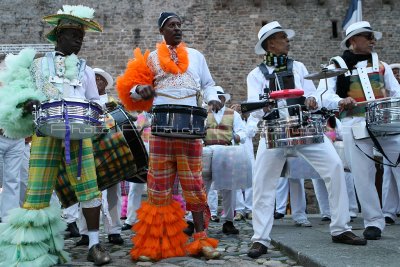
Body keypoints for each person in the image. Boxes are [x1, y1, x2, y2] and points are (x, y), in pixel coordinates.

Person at [0, 5, 111, 266]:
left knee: (89, 190)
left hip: (79, 134)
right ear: (59, 36)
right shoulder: (37, 66)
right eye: (74, 36)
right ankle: (33, 249)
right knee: (36, 193)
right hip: (45, 133)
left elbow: (96, 102)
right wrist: (27, 104)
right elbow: (20, 97)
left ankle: (94, 245)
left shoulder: (86, 69)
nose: (79, 42)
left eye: (81, 38)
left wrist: (94, 112)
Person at [246, 21, 367, 259]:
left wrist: (317, 101)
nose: (288, 41)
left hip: (304, 128)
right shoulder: (255, 75)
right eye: (283, 37)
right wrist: (266, 105)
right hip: (274, 131)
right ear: (271, 43)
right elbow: (255, 108)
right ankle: (260, 239)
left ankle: (341, 228)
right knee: (262, 183)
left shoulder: (299, 67)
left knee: (334, 166)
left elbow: (314, 95)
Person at [116, 12, 221, 261]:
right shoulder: (152, 58)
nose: (177, 29)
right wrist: (140, 89)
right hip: (162, 131)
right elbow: (133, 89)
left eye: (179, 25)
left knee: (194, 186)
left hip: (191, 131)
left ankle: (201, 240)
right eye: (171, 25)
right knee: (158, 187)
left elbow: (208, 84)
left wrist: (214, 97)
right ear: (162, 31)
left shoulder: (196, 56)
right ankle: (156, 244)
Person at [316, 21, 400, 240]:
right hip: (354, 124)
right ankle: (373, 221)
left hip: (386, 123)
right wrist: (341, 100)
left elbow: (396, 92)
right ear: (353, 41)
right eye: (367, 36)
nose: (373, 40)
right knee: (363, 175)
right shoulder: (336, 64)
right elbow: (324, 94)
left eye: (373, 36)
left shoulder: (382, 65)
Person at [76, 68, 124, 246]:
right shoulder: (82, 100)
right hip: (89, 147)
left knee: (113, 192)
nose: (96, 82)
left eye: (100, 79)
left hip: (109, 148)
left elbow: (122, 121)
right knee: (85, 191)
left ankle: (114, 231)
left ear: (105, 83)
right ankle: (85, 233)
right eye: (93, 79)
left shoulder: (113, 102)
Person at [202, 87, 247, 234]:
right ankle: (193, 220)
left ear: (222, 99)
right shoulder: (203, 113)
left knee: (229, 188)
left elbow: (242, 131)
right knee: (202, 187)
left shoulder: (233, 114)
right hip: (207, 151)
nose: (215, 102)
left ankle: (228, 221)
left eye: (218, 99)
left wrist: (237, 137)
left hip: (227, 152)